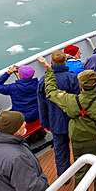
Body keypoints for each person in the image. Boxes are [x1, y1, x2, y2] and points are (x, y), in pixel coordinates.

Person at [38, 65, 96, 191]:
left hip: (79, 141)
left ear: (80, 85)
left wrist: (49, 72)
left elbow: (51, 91)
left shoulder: (71, 101)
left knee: (81, 172)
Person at [36, 50, 80, 179]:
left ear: (51, 63)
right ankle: (82, 173)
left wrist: (45, 123)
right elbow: (78, 100)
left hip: (55, 121)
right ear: (65, 61)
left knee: (60, 150)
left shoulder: (44, 81)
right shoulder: (71, 78)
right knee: (78, 147)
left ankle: (63, 177)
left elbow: (42, 105)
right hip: (74, 120)